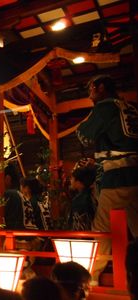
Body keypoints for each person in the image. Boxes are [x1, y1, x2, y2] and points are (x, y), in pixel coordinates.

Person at [76, 74, 138, 284]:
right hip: (134, 173)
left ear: (101, 87)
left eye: (91, 88)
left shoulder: (105, 107)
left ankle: (90, 278)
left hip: (118, 176)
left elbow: (84, 134)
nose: (90, 93)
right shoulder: (131, 108)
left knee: (102, 228)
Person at [68, 159, 97, 231]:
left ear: (78, 182)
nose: (70, 181)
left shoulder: (79, 200)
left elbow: (79, 225)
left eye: (72, 178)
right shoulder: (92, 195)